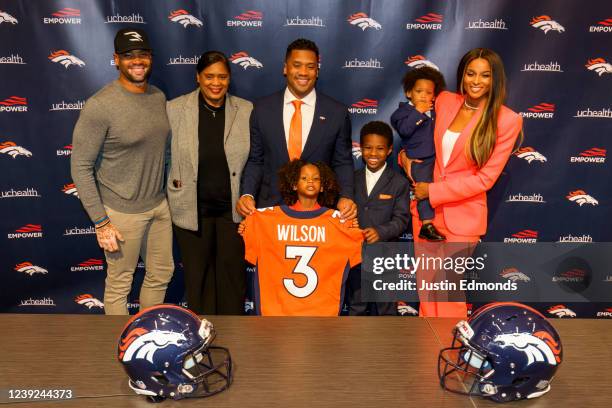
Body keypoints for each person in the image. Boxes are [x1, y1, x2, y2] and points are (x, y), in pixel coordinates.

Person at [399, 48, 523, 317]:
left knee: (446, 296)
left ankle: (453, 355)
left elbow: (485, 178)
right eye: (470, 73)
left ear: (495, 79)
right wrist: (404, 159)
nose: (476, 81)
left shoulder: (507, 119)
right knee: (427, 294)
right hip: (427, 214)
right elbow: (419, 142)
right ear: (462, 75)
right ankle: (426, 357)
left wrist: (433, 191)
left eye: (485, 75)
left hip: (462, 217)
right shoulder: (444, 101)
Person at [71, 28, 173, 315]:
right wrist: (102, 222)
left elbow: (164, 152)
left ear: (150, 58)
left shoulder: (158, 96)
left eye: (142, 55)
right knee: (119, 285)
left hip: (159, 207)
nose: (137, 61)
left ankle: (148, 336)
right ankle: (121, 350)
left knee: (161, 273)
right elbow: (80, 166)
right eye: (129, 56)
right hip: (120, 213)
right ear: (116, 60)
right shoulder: (100, 105)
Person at [166, 51, 252, 315]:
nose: (216, 82)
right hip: (191, 212)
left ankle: (235, 339)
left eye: (222, 76)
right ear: (198, 77)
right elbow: (165, 156)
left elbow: (256, 159)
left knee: (232, 281)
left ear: (229, 79)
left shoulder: (246, 110)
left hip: (233, 213)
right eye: (209, 76)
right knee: (198, 282)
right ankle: (199, 340)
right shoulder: (175, 108)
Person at [238, 38, 357, 221]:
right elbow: (256, 160)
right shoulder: (262, 109)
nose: (303, 72)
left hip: (319, 213)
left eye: (310, 67)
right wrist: (247, 194)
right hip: (270, 211)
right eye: (297, 65)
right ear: (285, 68)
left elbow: (342, 162)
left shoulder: (337, 112)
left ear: (317, 71)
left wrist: (347, 196)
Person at [239, 160, 363, 316]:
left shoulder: (339, 222)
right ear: (294, 184)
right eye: (304, 178)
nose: (310, 181)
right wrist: (248, 226)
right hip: (277, 316)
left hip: (321, 317)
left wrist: (350, 226)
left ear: (323, 185)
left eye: (316, 178)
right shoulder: (266, 219)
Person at [346, 121, 410, 315]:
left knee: (387, 309)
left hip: (385, 257)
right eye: (368, 148)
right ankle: (353, 345)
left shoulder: (399, 182)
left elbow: (402, 219)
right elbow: (341, 211)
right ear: (361, 148)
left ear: (390, 150)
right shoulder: (351, 179)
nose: (373, 154)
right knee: (356, 306)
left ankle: (388, 346)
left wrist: (380, 232)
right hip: (356, 256)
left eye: (380, 148)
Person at [391, 67, 446, 242]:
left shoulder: (437, 111)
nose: (423, 96)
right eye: (418, 91)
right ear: (408, 93)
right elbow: (405, 130)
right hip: (418, 160)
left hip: (436, 159)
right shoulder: (401, 113)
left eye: (428, 92)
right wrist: (418, 112)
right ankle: (427, 224)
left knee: (435, 189)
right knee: (423, 189)